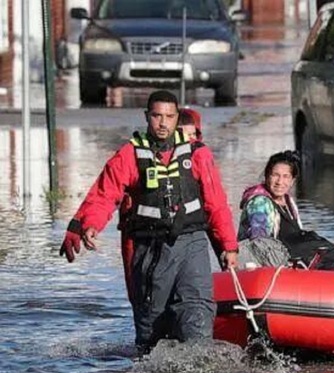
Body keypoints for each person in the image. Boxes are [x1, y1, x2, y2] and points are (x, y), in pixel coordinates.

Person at [59, 90, 238, 353]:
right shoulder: (130, 155)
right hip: (151, 249)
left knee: (197, 311)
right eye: (156, 116)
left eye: (169, 117)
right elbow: (104, 194)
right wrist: (90, 225)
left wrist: (228, 246)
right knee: (152, 324)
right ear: (147, 117)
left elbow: (217, 203)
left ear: (177, 118)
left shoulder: (198, 154)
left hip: (192, 244)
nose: (163, 123)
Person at [119, 107, 204, 304]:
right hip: (145, 239)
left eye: (194, 135)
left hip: (187, 239)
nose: (190, 140)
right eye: (185, 135)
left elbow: (214, 208)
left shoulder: (200, 159)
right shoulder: (139, 157)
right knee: (143, 296)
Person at [237, 150, 303, 242]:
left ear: (292, 181)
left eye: (286, 176)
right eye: (275, 175)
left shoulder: (289, 202)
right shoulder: (259, 204)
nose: (279, 182)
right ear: (267, 176)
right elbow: (258, 241)